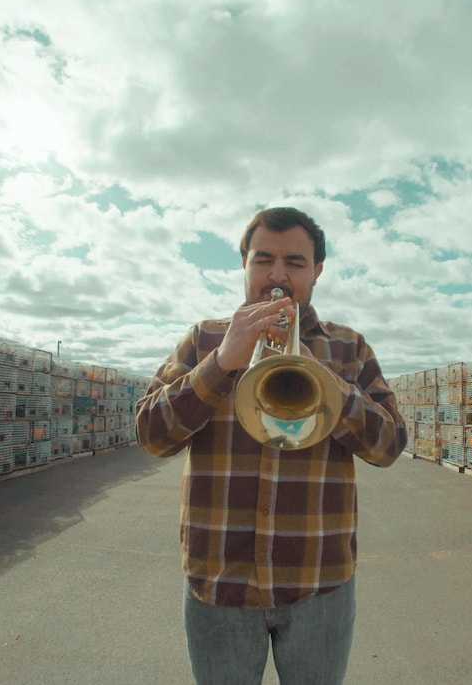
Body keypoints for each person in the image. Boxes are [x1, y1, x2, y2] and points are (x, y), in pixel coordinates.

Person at [134, 206, 407, 684]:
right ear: (245, 264)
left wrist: (323, 379)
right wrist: (222, 362)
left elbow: (389, 445)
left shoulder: (349, 348)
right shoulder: (204, 339)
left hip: (319, 585)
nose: (277, 276)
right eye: (263, 260)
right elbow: (150, 435)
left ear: (317, 271)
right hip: (220, 586)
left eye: (295, 263)